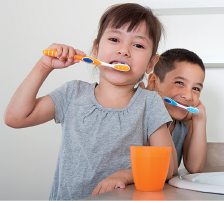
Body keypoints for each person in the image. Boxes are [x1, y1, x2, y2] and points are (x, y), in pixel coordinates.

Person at [4, 3, 178, 201]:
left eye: (138, 45)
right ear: (95, 50)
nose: (124, 50)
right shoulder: (72, 94)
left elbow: (169, 167)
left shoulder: (150, 103)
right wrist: (44, 66)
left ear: (150, 64)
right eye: (114, 39)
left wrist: (127, 176)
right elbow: (15, 118)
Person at [143, 48, 207, 173]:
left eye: (196, 88)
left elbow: (195, 167)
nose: (188, 96)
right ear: (154, 82)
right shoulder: (140, 116)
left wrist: (200, 119)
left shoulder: (184, 124)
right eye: (180, 83)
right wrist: (156, 109)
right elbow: (155, 168)